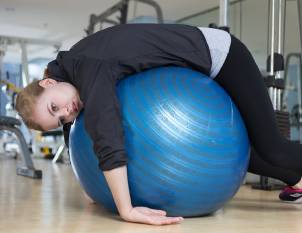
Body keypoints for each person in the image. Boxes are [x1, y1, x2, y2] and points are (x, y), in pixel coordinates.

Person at [15, 24, 302, 225]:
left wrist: (126, 209)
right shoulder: (68, 75)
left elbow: (107, 133)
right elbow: (71, 129)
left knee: (272, 147)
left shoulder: (89, 67)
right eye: (59, 118)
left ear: (48, 82)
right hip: (195, 68)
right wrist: (89, 185)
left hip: (221, 55)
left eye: (55, 106)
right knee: (227, 152)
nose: (67, 112)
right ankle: (297, 180)